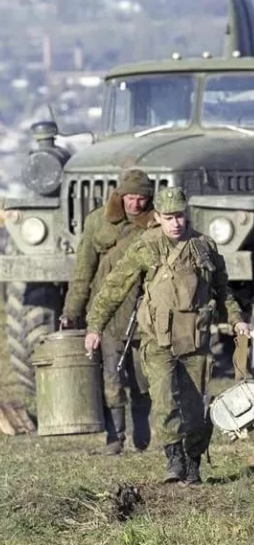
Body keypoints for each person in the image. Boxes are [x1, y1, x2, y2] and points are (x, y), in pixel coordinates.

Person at [84, 187, 252, 485]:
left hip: (196, 341)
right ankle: (173, 458)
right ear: (158, 217)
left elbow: (223, 290)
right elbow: (114, 287)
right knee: (163, 402)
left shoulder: (205, 246)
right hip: (158, 340)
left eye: (180, 216)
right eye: (169, 217)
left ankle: (193, 462)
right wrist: (95, 327)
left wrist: (237, 319)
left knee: (195, 409)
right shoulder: (145, 246)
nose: (176, 223)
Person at [60, 168, 155, 455]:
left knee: (142, 380)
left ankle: (142, 433)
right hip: (108, 313)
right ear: (120, 195)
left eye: (141, 198)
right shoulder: (97, 222)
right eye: (130, 197)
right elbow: (82, 272)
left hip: (143, 314)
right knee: (111, 380)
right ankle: (114, 439)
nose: (135, 204)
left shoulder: (155, 225)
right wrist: (71, 311)